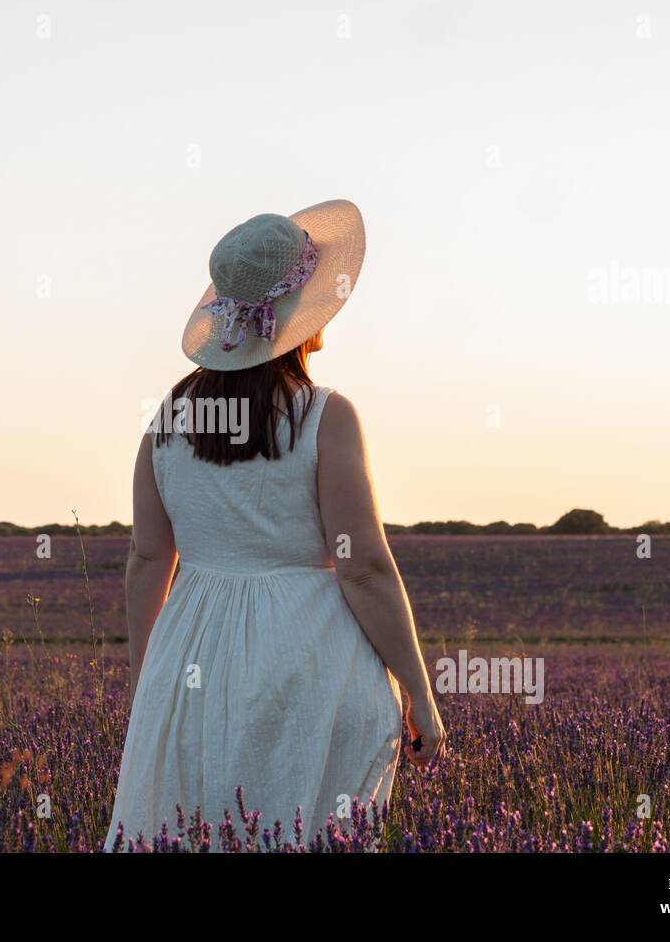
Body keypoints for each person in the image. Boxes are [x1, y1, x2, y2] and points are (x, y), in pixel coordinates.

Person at [105, 199, 444, 850]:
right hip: (311, 658)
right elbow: (364, 566)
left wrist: (151, 682)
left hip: (193, 653)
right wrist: (422, 698)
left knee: (193, 831)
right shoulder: (324, 416)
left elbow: (149, 561)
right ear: (301, 317)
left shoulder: (168, 420)